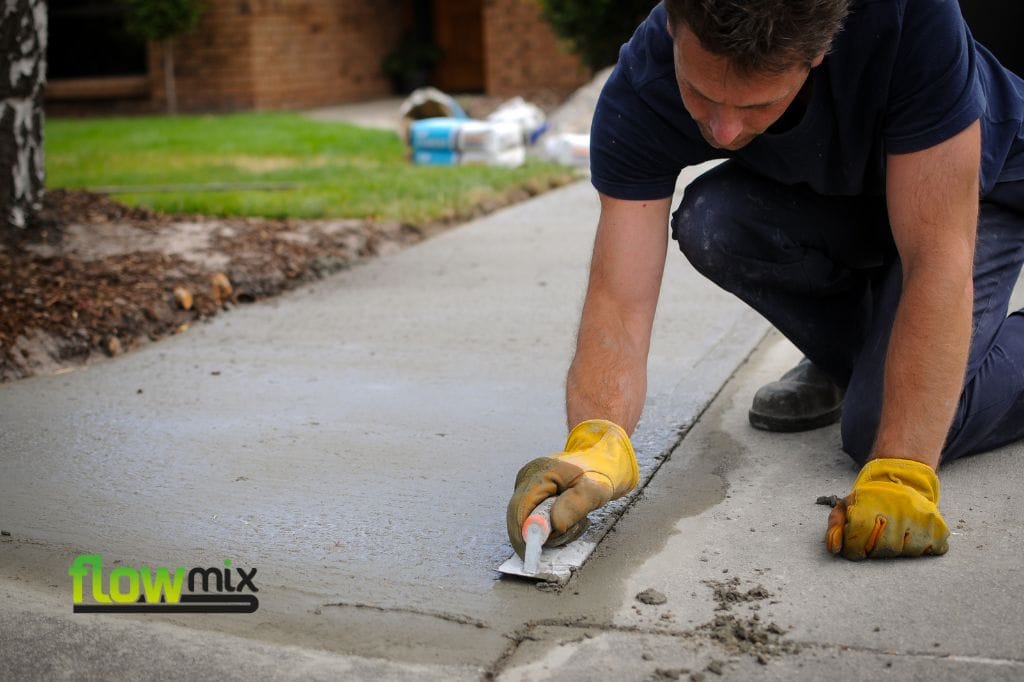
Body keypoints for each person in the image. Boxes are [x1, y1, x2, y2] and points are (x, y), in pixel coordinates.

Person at [507, 0, 1024, 561]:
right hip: (853, 195)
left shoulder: (910, 19)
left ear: (820, 52)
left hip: (978, 191)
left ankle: (871, 368)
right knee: (715, 223)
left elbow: (936, 258)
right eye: (700, 94)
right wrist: (595, 442)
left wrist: (903, 470)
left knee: (879, 425)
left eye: (758, 104)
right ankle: (863, 355)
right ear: (673, 27)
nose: (724, 131)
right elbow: (618, 298)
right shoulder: (643, 83)